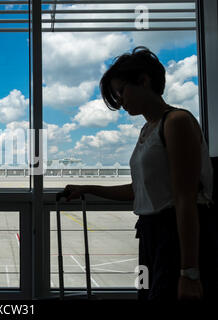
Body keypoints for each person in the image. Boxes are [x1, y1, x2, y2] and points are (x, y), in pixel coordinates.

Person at [60, 47, 217, 301]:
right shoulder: (147, 130)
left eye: (121, 91)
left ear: (144, 81)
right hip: (151, 234)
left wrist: (189, 273)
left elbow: (185, 199)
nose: (120, 100)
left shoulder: (176, 122)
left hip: (173, 237)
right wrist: (87, 188)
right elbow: (139, 190)